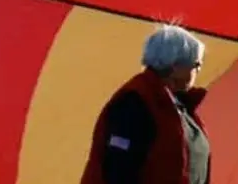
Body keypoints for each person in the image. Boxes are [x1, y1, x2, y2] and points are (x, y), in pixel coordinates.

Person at [80, 24, 212, 184]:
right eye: (196, 64)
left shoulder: (179, 107)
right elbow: (118, 169)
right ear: (175, 66)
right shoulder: (134, 103)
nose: (198, 70)